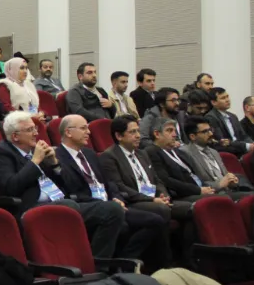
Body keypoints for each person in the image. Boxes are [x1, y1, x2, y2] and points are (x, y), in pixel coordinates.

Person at [0, 111, 124, 255]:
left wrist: (54, 164)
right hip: (32, 207)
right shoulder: (2, 153)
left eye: (35, 128)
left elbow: (69, 185)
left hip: (62, 201)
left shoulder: (36, 150)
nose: (36, 133)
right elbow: (10, 187)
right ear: (15, 136)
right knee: (68, 206)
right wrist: (35, 162)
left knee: (112, 209)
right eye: (29, 130)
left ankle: (98, 262)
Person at [54, 114, 169, 270]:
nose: (88, 132)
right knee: (120, 222)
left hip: (110, 203)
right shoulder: (57, 157)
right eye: (83, 128)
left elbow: (108, 182)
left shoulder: (89, 153)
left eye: (88, 128)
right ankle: (98, 267)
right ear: (68, 132)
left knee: (155, 221)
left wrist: (116, 197)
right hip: (88, 205)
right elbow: (70, 187)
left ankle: (125, 261)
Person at [99, 116, 192, 222]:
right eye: (132, 132)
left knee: (192, 208)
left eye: (138, 131)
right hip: (134, 201)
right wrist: (152, 199)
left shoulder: (142, 153)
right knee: (162, 209)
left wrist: (164, 196)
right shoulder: (109, 156)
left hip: (155, 199)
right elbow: (119, 186)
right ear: (119, 136)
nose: (138, 135)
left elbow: (156, 180)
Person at [179, 117, 254, 199]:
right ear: (192, 136)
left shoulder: (214, 152)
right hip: (211, 195)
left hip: (228, 192)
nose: (211, 134)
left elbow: (224, 175)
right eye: (205, 132)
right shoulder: (185, 153)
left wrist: (231, 181)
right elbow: (196, 183)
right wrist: (219, 184)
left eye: (210, 130)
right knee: (251, 197)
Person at [145, 118, 216, 204]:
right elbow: (166, 180)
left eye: (175, 131)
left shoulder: (178, 151)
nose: (174, 135)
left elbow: (194, 174)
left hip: (200, 188)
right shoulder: (152, 152)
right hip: (182, 195)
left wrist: (205, 188)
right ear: (157, 134)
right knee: (222, 199)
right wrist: (198, 190)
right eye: (169, 131)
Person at [205, 88, 254, 156]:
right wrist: (247, 146)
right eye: (223, 98)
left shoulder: (233, 116)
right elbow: (223, 141)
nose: (227, 100)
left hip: (240, 151)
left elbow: (243, 136)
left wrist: (252, 143)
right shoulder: (211, 117)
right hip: (226, 153)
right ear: (213, 102)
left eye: (227, 96)